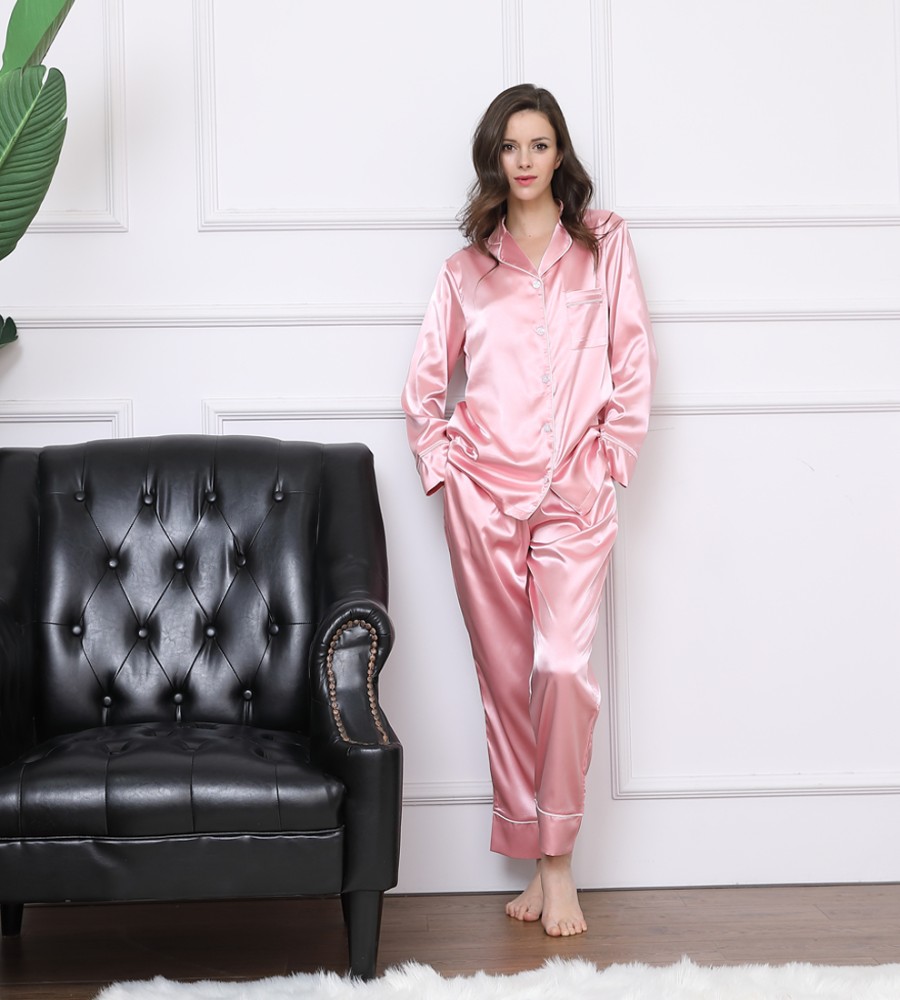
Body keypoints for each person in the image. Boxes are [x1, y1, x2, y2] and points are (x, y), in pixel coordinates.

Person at [401, 84, 657, 937]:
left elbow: (633, 360)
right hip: (483, 500)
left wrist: (611, 459)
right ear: (494, 157)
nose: (524, 160)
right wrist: (447, 471)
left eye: (539, 144)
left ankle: (559, 861)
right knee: (508, 680)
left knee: (563, 668)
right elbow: (422, 389)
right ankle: (535, 855)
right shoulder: (466, 271)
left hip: (576, 495)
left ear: (560, 154)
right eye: (510, 146)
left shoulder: (603, 245)